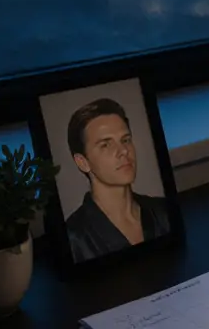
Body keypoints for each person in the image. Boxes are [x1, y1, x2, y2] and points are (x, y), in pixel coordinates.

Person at [63, 98, 171, 263]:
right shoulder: (73, 237)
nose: (123, 151)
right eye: (106, 145)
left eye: (125, 140)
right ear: (83, 162)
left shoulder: (163, 211)